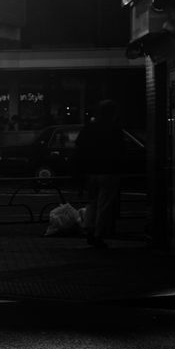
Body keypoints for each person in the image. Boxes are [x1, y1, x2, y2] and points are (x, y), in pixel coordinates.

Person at [75, 99, 126, 248]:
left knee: (92, 202)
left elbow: (79, 148)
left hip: (91, 171)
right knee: (104, 205)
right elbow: (121, 151)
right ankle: (98, 234)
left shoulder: (89, 128)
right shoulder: (115, 129)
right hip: (109, 171)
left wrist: (80, 171)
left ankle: (89, 229)